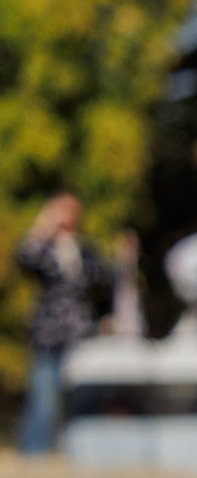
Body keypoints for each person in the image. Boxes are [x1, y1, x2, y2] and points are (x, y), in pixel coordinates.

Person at [13, 195, 114, 455]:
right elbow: (24, 257)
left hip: (80, 334)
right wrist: (43, 226)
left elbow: (103, 278)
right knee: (43, 397)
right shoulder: (43, 248)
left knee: (79, 398)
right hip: (48, 334)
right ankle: (35, 453)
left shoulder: (83, 250)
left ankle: (76, 451)